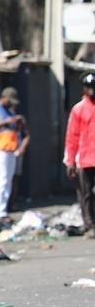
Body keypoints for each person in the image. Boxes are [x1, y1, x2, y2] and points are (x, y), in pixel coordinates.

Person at [0, 87, 29, 222]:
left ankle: (4, 210)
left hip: (10, 150)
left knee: (8, 182)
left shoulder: (10, 111)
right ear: (4, 97)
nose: (12, 104)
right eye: (10, 101)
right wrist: (5, 121)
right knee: (1, 181)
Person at [64, 73, 95, 238]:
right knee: (86, 193)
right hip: (85, 159)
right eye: (88, 87)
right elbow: (72, 136)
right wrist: (70, 160)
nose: (91, 91)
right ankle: (89, 224)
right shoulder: (79, 109)